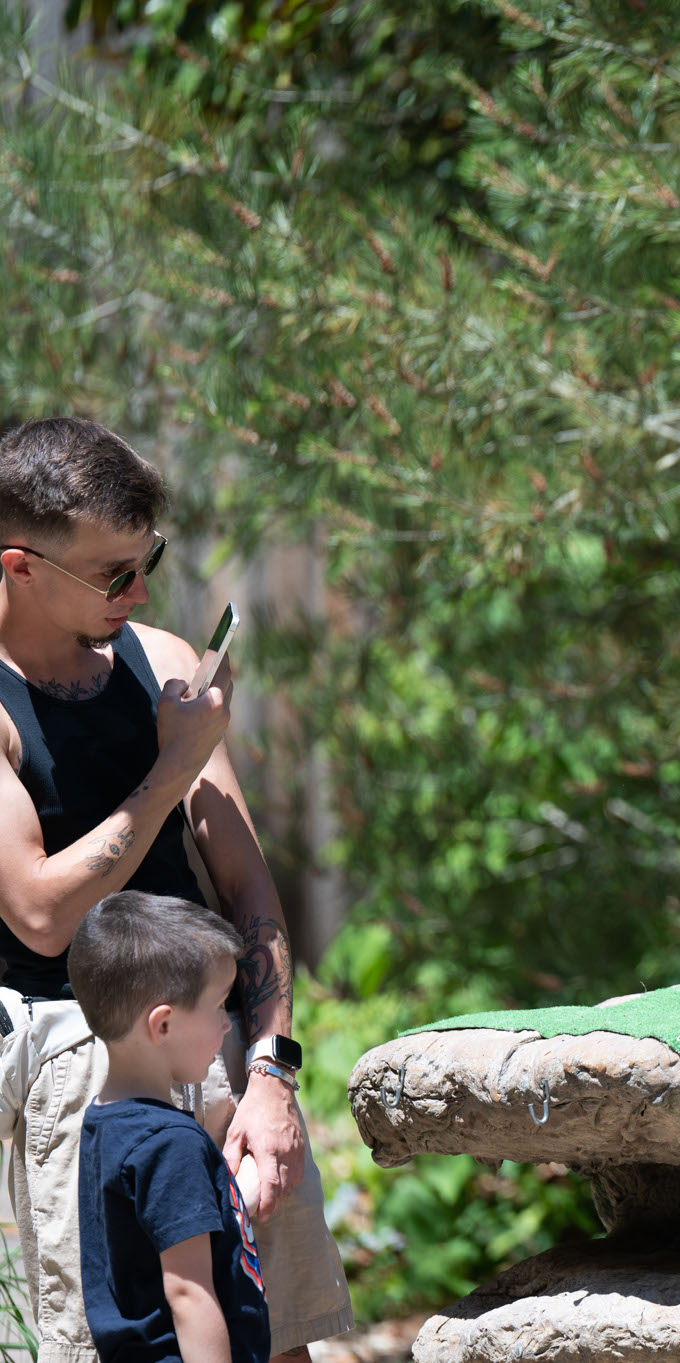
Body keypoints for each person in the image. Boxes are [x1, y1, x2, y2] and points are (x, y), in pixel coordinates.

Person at [0, 416, 351, 1362]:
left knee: (274, 1338)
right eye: (113, 573)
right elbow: (40, 914)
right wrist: (175, 766)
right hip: (84, 1072)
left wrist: (274, 1075)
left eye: (146, 559)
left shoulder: (159, 662)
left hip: (216, 1050)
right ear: (20, 566)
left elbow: (249, 891)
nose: (142, 591)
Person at [70, 892, 270, 1363]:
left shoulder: (106, 1121)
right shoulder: (169, 1144)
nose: (227, 1024)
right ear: (162, 1025)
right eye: (219, 1006)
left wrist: (236, 1194)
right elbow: (188, 1294)